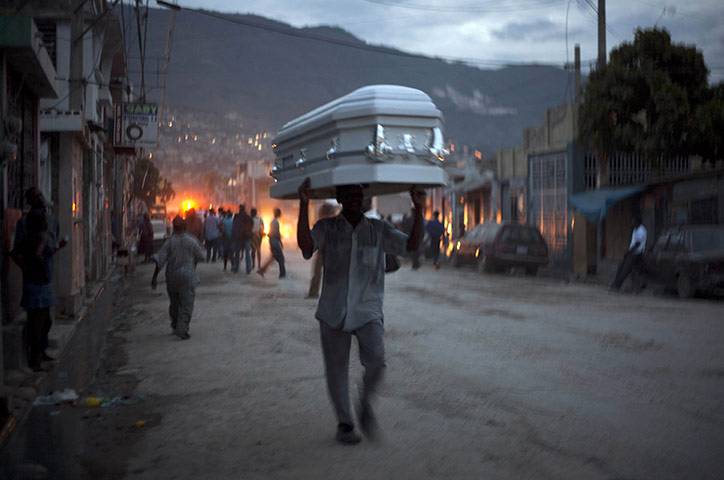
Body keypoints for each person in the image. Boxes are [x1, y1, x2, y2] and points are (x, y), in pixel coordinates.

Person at [297, 178, 425, 445]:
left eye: (359, 195)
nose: (356, 199)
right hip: (333, 311)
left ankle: (365, 400)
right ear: (340, 199)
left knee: (377, 361)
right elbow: (307, 249)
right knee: (336, 370)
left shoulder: (379, 230)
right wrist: (303, 203)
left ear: (365, 199)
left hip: (368, 311)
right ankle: (345, 423)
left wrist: (419, 208)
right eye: (350, 195)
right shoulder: (327, 228)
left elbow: (411, 247)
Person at [11, 208, 63, 371]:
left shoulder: (27, 238)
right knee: (41, 322)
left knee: (35, 321)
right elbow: (38, 254)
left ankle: (36, 356)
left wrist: (25, 269)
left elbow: (14, 253)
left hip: (30, 283)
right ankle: (36, 359)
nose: (48, 221)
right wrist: (42, 273)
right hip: (40, 285)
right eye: (45, 219)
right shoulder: (42, 237)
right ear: (42, 222)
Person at [151, 216, 205, 340]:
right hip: (187, 277)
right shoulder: (192, 241)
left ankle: (175, 325)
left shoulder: (169, 242)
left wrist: (154, 277)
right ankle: (182, 329)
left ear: (173, 228)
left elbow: (160, 260)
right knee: (187, 304)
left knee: (174, 304)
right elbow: (202, 256)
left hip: (172, 277)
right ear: (185, 227)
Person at [609, 214, 647, 292]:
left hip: (637, 254)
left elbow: (637, 244)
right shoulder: (635, 229)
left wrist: (629, 252)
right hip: (632, 252)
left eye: (633, 221)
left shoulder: (641, 230)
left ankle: (617, 285)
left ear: (637, 222)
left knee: (625, 269)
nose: (631, 222)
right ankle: (615, 283)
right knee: (621, 266)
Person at [308, 202, 338, 298]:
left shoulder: (321, 224)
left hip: (324, 252)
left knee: (318, 273)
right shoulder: (335, 224)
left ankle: (313, 292)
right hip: (331, 253)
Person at [257, 208, 285, 278]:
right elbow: (275, 233)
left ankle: (262, 270)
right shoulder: (275, 222)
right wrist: (280, 239)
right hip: (275, 243)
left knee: (273, 258)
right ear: (278, 214)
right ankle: (282, 274)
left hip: (273, 242)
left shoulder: (274, 221)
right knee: (281, 259)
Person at [232, 204, 254, 274]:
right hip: (247, 237)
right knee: (247, 253)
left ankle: (236, 267)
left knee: (237, 253)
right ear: (244, 209)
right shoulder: (248, 217)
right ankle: (248, 269)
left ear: (239, 209)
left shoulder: (237, 217)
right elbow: (252, 224)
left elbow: (234, 227)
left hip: (239, 238)